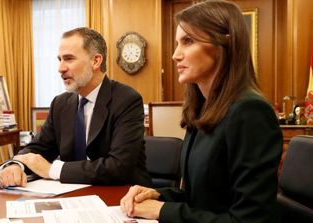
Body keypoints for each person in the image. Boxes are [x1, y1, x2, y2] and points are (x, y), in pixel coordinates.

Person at [120, 1, 282, 222]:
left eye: (188, 41)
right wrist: (158, 194)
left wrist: (160, 210)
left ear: (224, 44)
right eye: (177, 43)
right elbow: (202, 199)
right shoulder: (204, 108)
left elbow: (250, 220)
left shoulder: (250, 112)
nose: (175, 55)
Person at [0, 27, 151, 187]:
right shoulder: (60, 103)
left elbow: (118, 167)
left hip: (122, 197)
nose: (61, 68)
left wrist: (52, 170)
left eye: (69, 59)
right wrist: (17, 165)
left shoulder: (126, 100)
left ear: (96, 61)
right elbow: (39, 147)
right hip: (71, 197)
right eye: (60, 59)